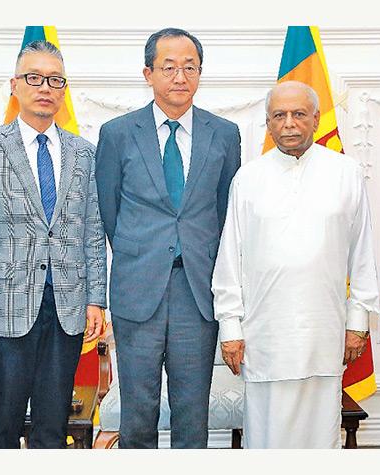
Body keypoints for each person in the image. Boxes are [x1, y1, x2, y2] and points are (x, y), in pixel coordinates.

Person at [212, 81, 380, 449]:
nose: (289, 123)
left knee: (320, 437)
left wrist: (357, 324)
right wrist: (230, 328)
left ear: (316, 119)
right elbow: (229, 261)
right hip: (264, 336)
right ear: (268, 123)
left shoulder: (345, 172)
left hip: (324, 333)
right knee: (267, 435)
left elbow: (363, 254)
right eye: (279, 115)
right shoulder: (248, 179)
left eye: (299, 114)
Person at [95, 27, 241, 448]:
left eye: (189, 67)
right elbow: (110, 211)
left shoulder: (224, 133)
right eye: (169, 67)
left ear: (200, 73)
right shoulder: (118, 133)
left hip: (197, 290)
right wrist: (144, 251)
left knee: (192, 411)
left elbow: (225, 211)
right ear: (148, 73)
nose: (180, 77)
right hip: (137, 288)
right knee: (138, 413)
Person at [0, 40, 107, 449]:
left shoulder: (84, 154)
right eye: (34, 78)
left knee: (53, 426)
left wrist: (97, 299)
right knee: (3, 425)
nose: (45, 87)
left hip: (67, 308)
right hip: (3, 309)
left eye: (55, 80)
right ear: (15, 85)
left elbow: (91, 231)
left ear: (64, 89)